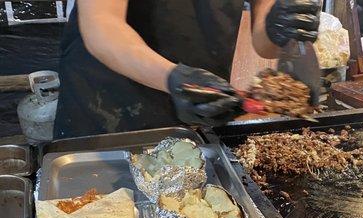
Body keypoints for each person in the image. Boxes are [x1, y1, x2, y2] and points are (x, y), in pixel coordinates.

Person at [54, 0, 321, 138]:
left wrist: (278, 26)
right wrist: (172, 79)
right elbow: (101, 25)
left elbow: (265, 44)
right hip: (108, 106)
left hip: (195, 101)